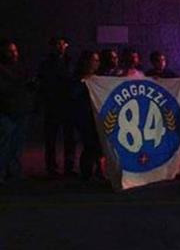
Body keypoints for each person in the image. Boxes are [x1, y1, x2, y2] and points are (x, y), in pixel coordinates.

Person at [38, 36, 75, 177]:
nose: (60, 47)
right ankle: (51, 167)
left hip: (68, 104)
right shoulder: (46, 63)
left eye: (62, 44)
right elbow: (43, 81)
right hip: (53, 104)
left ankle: (69, 167)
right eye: (57, 44)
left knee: (70, 138)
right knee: (51, 138)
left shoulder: (70, 61)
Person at [0, 40, 35, 183]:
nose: (14, 54)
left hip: (20, 111)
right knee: (4, 144)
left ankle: (14, 172)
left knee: (17, 145)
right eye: (10, 51)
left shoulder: (21, 68)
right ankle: (2, 172)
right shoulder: (2, 70)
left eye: (15, 51)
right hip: (5, 112)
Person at [71, 51, 103, 181]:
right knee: (89, 145)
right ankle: (86, 173)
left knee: (99, 145)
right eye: (94, 60)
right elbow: (73, 95)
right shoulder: (77, 79)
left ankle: (99, 171)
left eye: (97, 61)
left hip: (98, 117)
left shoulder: (99, 79)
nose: (96, 63)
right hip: (85, 117)